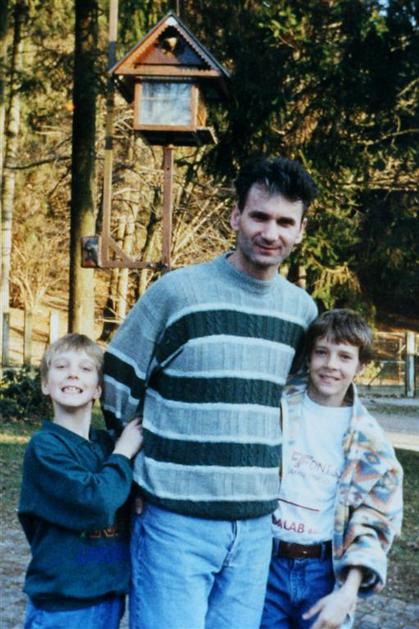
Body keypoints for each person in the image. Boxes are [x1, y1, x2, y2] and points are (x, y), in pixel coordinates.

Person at [103, 156, 318, 629]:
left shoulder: (301, 312)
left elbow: (293, 403)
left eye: (286, 222)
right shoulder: (177, 294)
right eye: (259, 216)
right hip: (173, 522)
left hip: (255, 528)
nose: (271, 232)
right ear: (236, 216)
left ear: (301, 231)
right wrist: (130, 469)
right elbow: (118, 381)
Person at [260, 309, 403, 629]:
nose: (331, 365)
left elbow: (375, 522)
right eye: (322, 352)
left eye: (345, 356)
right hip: (265, 564)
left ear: (361, 366)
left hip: (323, 573)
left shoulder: (370, 444)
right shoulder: (277, 409)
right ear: (309, 356)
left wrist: (347, 593)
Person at [18, 334, 143, 629]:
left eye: (85, 369)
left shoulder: (106, 445)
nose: (73, 373)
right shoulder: (45, 447)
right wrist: (124, 452)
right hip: (64, 606)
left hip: (108, 599)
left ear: (98, 389)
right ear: (45, 384)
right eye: (61, 366)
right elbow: (97, 502)